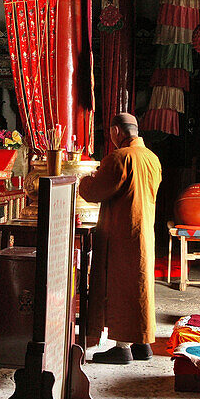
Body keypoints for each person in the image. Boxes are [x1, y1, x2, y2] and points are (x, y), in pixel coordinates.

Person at [78, 113, 162, 364]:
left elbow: (94, 192)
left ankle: (122, 347)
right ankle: (142, 343)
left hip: (122, 233)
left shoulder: (120, 157)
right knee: (140, 285)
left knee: (121, 287)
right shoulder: (152, 158)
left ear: (116, 131)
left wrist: (85, 179)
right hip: (144, 230)